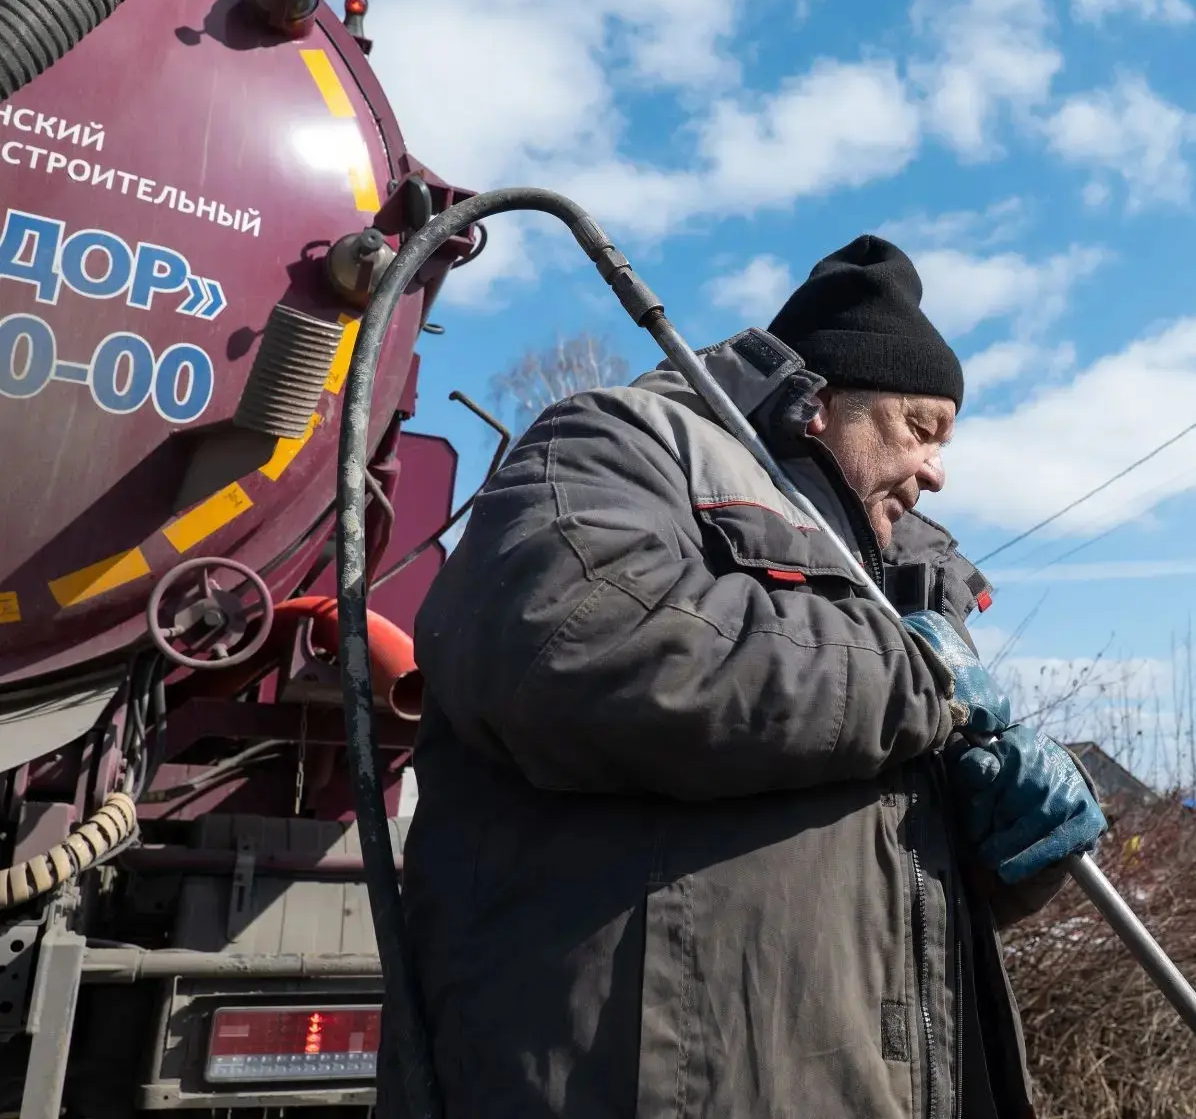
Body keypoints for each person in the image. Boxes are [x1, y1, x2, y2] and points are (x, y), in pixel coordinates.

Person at [385, 234, 1109, 1118]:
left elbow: (865, 904)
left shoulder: (906, 579)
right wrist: (912, 676)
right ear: (820, 403)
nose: (937, 471)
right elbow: (569, 644)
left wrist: (1003, 854)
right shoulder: (622, 444)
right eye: (920, 428)